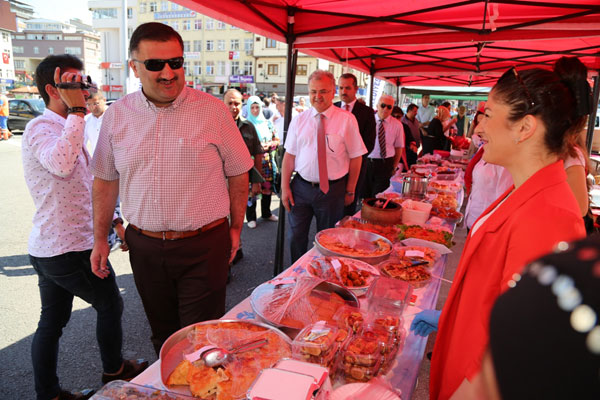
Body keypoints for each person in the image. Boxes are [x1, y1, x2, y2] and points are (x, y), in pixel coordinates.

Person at [412, 63, 590, 399]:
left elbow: (517, 352)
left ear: (524, 127)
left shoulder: (550, 214)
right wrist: (453, 317)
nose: (478, 128)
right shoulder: (526, 190)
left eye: (488, 115)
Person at [90, 22, 253, 354]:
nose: (168, 72)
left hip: (205, 245)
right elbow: (105, 180)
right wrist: (98, 240)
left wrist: (236, 227)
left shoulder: (214, 111)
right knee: (163, 338)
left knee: (202, 339)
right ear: (135, 67)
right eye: (155, 64)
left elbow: (239, 172)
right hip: (145, 247)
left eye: (175, 63)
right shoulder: (116, 116)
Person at [22, 55, 147, 400]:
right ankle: (114, 371)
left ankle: (49, 393)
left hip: (60, 246)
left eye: (85, 81)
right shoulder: (40, 128)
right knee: (109, 304)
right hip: (65, 248)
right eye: (74, 82)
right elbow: (61, 166)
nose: (84, 89)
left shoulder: (70, 126)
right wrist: (77, 113)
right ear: (52, 88)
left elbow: (91, 183)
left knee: (53, 322)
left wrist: (115, 222)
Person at [281, 70, 366, 263]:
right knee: (295, 238)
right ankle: (298, 275)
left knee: (328, 240)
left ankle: (324, 277)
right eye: (313, 91)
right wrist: (285, 187)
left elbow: (356, 157)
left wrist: (350, 190)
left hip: (332, 190)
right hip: (301, 188)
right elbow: (289, 155)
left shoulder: (347, 120)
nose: (317, 96)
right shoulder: (299, 120)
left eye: (323, 91)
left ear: (333, 91)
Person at [223, 88, 264, 263]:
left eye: (237, 103)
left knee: (237, 215)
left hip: (242, 181)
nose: (233, 107)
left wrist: (257, 182)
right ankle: (226, 258)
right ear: (223, 104)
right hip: (219, 181)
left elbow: (258, 153)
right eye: (230, 103)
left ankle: (237, 247)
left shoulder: (249, 126)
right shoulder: (216, 126)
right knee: (222, 220)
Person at [85, 92, 126, 252]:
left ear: (103, 101)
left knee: (116, 204)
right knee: (105, 204)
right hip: (100, 169)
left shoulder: (115, 116)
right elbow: (81, 144)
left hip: (118, 166)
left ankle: (120, 237)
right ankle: (112, 238)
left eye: (96, 103)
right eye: (89, 104)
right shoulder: (87, 121)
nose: (93, 107)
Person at [335, 72, 376, 215]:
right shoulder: (331, 108)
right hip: (332, 167)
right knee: (329, 209)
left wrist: (352, 157)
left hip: (355, 167)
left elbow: (369, 143)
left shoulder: (367, 112)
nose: (343, 92)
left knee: (348, 208)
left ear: (355, 89)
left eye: (347, 88)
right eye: (340, 88)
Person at [362, 95, 406, 198]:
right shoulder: (368, 121)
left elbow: (399, 147)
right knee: (365, 195)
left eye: (389, 107)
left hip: (385, 163)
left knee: (379, 196)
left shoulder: (397, 125)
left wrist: (394, 166)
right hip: (367, 162)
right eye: (383, 105)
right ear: (377, 105)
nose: (385, 109)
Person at [245, 95, 278, 228]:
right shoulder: (246, 125)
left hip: (266, 162)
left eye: (257, 107)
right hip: (252, 162)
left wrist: (270, 144)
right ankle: (251, 217)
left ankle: (266, 213)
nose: (255, 110)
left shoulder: (268, 123)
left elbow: (277, 140)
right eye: (252, 107)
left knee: (267, 188)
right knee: (251, 190)